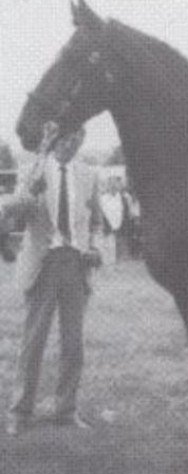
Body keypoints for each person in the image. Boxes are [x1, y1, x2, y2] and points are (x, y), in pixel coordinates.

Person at [0, 123, 102, 435]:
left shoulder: (88, 174)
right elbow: (14, 206)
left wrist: (94, 245)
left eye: (76, 138)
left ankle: (66, 410)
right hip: (43, 265)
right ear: (55, 139)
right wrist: (39, 161)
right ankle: (20, 413)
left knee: (73, 344)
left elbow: (95, 220)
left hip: (75, 264)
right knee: (33, 342)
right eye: (65, 138)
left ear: (82, 139)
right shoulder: (36, 168)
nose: (69, 144)